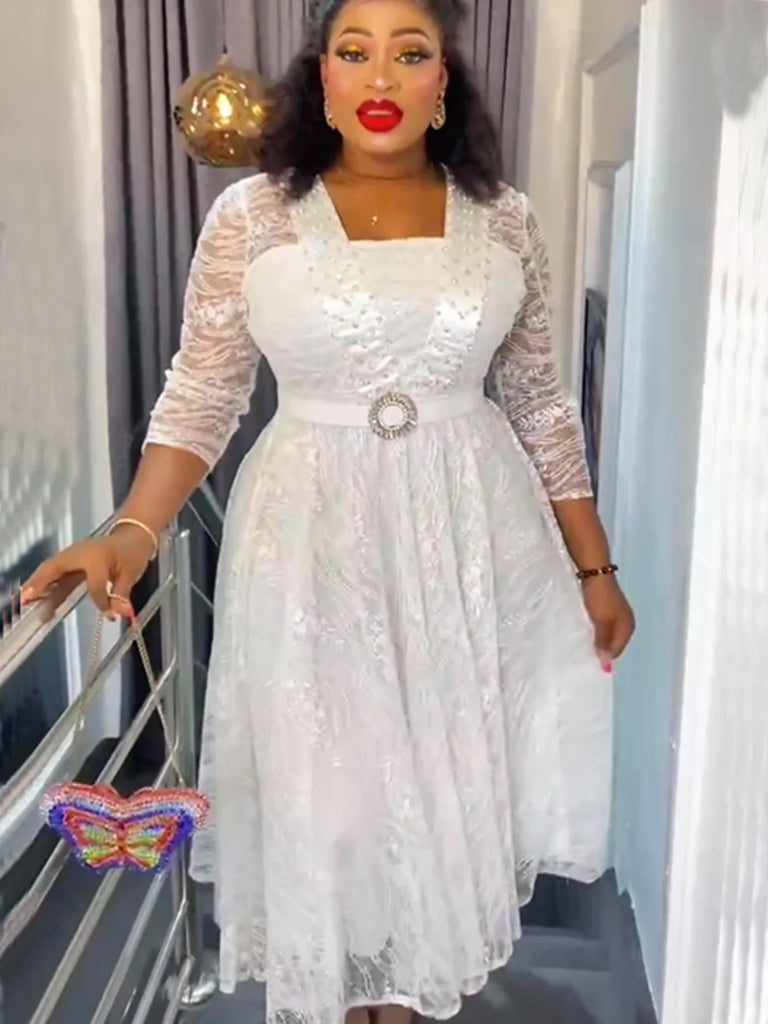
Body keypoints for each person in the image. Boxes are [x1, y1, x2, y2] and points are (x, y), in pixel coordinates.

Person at [23, 1, 635, 1022]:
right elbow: (203, 391)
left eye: (410, 52)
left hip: (467, 539)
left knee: (440, 793)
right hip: (309, 542)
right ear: (322, 78)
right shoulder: (253, 216)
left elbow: (538, 401)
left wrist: (595, 568)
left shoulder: (506, 221)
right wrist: (132, 528)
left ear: (443, 82)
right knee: (334, 799)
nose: (380, 76)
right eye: (354, 52)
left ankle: (406, 1002)